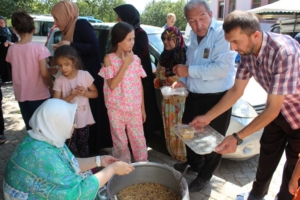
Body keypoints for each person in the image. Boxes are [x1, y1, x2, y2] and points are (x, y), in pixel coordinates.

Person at [189, 10, 300, 200]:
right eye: (229, 41)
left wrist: (237, 137)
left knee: (293, 170)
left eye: (235, 42)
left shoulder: (284, 52)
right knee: (266, 157)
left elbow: (271, 109)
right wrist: (208, 116)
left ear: (255, 35)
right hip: (278, 111)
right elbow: (235, 91)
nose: (232, 48)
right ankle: (256, 195)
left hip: (296, 115)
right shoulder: (247, 51)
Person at [3, 98, 134, 199]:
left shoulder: (44, 136)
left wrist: (99, 160)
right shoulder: (42, 155)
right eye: (71, 121)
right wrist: (113, 169)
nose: (75, 125)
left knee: (86, 175)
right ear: (56, 123)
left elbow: (67, 163)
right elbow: (78, 194)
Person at [172, 0, 236, 192]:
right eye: (192, 21)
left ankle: (204, 176)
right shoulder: (192, 34)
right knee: (188, 132)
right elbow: (193, 62)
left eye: (201, 18)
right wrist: (184, 80)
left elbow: (222, 69)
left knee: (213, 140)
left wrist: (188, 71)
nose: (197, 25)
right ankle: (195, 163)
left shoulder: (222, 34)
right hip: (194, 94)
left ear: (210, 14)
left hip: (217, 97)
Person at [51, 0, 112, 154]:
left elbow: (94, 47)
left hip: (88, 76)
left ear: (66, 15)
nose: (56, 23)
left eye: (57, 18)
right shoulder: (67, 30)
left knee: (90, 113)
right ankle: (77, 146)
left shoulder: (82, 25)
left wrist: (70, 45)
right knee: (76, 113)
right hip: (73, 77)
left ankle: (91, 148)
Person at [113, 4, 163, 143]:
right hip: (122, 78)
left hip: (138, 77)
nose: (117, 19)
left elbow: (137, 52)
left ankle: (143, 137)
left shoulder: (140, 33)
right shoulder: (122, 34)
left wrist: (123, 41)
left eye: (120, 17)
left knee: (142, 108)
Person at [99, 22, 148, 163]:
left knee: (139, 141)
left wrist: (142, 108)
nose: (133, 42)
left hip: (134, 109)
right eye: (129, 39)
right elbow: (112, 84)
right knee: (120, 143)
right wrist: (125, 64)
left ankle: (143, 167)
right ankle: (122, 169)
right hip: (116, 110)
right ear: (119, 41)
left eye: (133, 39)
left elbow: (139, 85)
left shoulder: (136, 59)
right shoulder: (109, 59)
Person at [6, 11, 53, 131]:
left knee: (30, 128)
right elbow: (44, 73)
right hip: (39, 94)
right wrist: (52, 87)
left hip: (21, 94)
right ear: (34, 28)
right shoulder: (39, 49)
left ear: (15, 30)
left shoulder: (12, 49)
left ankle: (31, 150)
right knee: (43, 129)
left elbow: (21, 67)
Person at [53, 45, 98, 158]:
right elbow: (55, 104)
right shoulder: (59, 81)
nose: (63, 68)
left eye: (66, 64)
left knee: (83, 145)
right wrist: (71, 96)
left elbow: (95, 93)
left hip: (83, 119)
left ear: (74, 61)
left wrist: (84, 93)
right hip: (67, 122)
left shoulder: (84, 75)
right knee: (69, 147)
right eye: (60, 65)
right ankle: (70, 169)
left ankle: (86, 168)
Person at [153, 26, 187, 162]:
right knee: (169, 129)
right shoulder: (163, 57)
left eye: (169, 38)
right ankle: (173, 155)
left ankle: (183, 158)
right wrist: (161, 83)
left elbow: (191, 79)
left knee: (180, 130)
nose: (166, 41)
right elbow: (157, 77)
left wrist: (172, 83)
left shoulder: (185, 56)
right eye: (164, 39)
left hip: (181, 102)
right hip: (166, 101)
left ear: (177, 39)